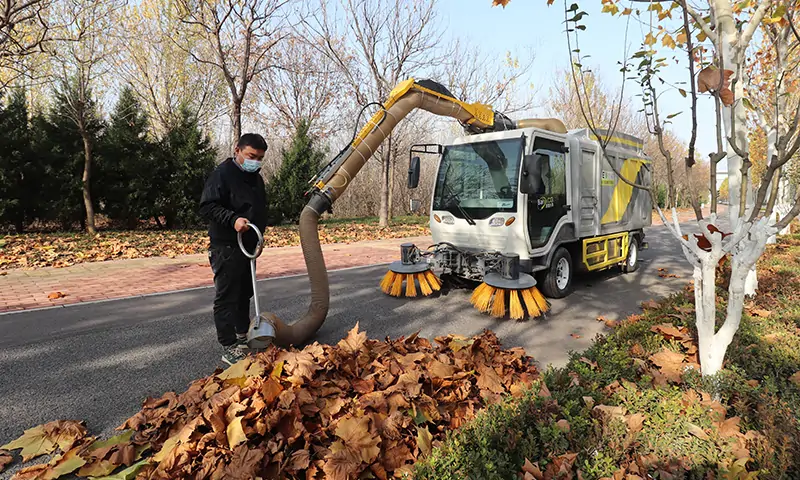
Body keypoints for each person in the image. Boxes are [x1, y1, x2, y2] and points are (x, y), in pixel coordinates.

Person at [199, 133, 269, 366]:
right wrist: (232, 219)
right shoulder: (222, 175)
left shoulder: (255, 178)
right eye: (251, 156)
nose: (255, 162)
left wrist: (260, 236)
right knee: (227, 295)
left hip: (249, 246)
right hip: (226, 245)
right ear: (237, 150)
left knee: (244, 292)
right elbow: (208, 206)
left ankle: (242, 334)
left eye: (259, 158)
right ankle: (228, 345)